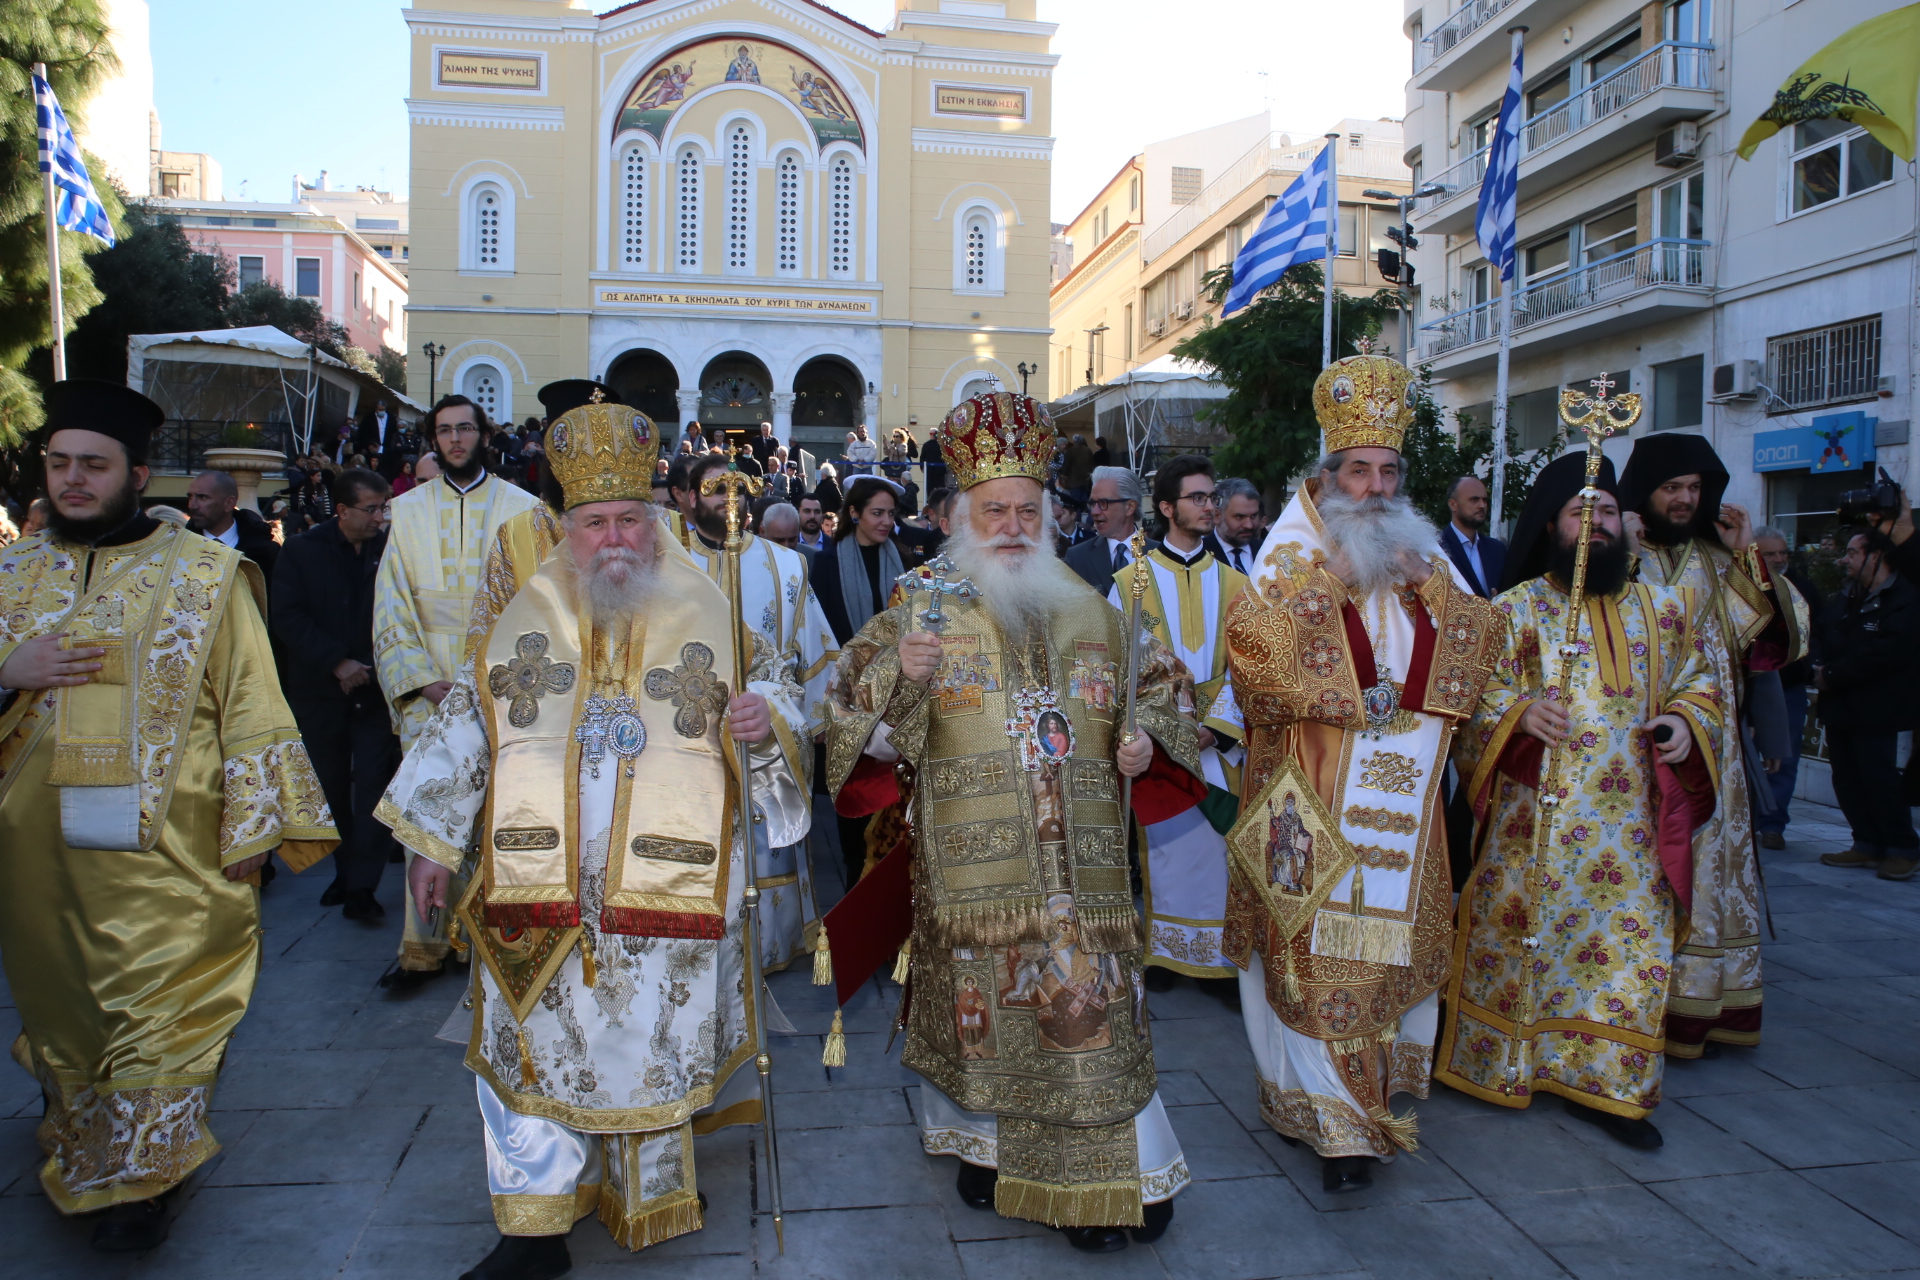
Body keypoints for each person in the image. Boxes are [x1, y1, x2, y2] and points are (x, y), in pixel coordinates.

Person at [379, 393, 805, 1280]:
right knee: (532, 1038)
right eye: (593, 522)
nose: (614, 538)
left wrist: (768, 723)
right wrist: (430, 842)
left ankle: (644, 1188)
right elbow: (468, 723)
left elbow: (786, 706)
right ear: (564, 528)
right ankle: (531, 1229)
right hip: (539, 879)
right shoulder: (524, 614)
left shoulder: (714, 610)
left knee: (645, 1045)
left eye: (628, 519)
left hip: (668, 887)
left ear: (655, 520)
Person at [826, 388, 1203, 1251]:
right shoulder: (919, 603)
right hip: (974, 861)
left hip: (1083, 863)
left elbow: (1162, 696)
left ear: (1049, 513)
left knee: (1093, 1014)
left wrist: (1146, 746)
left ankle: (1123, 1171)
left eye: (1026, 509)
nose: (1010, 524)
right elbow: (849, 721)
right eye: (992, 509)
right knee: (984, 1013)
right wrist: (902, 681)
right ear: (958, 513)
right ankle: (984, 1147)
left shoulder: (1089, 599)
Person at [0, 381, 336, 1250]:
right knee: (69, 1013)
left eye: (94, 466)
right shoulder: (12, 576)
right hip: (39, 864)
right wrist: (10, 670)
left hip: (173, 856)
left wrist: (255, 833)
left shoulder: (205, 574)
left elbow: (254, 704)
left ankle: (139, 1181)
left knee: (167, 1011)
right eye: (61, 464)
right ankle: (86, 1142)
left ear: (136, 473)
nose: (74, 480)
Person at [1221, 354, 1502, 1194]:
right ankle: (1332, 1120)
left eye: (1387, 472)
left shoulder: (1426, 557)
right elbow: (1253, 665)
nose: (1374, 487)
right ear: (1328, 476)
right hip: (1312, 796)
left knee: (1385, 953)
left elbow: (1483, 648)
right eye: (1358, 470)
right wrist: (1329, 589)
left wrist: (1439, 603)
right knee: (1312, 953)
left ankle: (1378, 1091)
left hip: (1404, 806)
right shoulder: (1289, 556)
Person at [1438, 451, 1723, 1150]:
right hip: (1535, 827)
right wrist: (1518, 715)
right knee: (1523, 942)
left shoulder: (1664, 609)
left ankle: (1610, 1085)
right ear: (1553, 526)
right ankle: (1506, 1060)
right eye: (1577, 513)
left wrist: (1686, 722)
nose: (1593, 526)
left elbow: (1700, 681)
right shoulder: (1513, 611)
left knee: (1627, 956)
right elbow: (1473, 700)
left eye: (1604, 515)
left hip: (1631, 835)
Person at [1618, 433, 1807, 1057]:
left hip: (1712, 747)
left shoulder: (1718, 558)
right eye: (1671, 488)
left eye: (1694, 489)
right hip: (1632, 741)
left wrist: (1748, 557)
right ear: (1646, 490)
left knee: (1707, 869)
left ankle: (1699, 1009)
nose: (1684, 500)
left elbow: (1775, 643)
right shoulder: (1622, 549)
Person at [373, 393, 541, 988]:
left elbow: (535, 606)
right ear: (433, 440)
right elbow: (392, 602)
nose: (455, 440)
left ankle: (486, 944)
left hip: (500, 687)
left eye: (465, 428)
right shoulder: (408, 510)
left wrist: (499, 681)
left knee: (493, 817)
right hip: (430, 689)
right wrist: (422, 680)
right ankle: (423, 947)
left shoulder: (523, 509)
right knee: (428, 814)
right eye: (443, 431)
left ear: (484, 434)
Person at [675, 450, 840, 970]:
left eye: (736, 489)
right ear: (686, 497)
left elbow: (813, 650)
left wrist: (814, 725)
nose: (726, 499)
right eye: (712, 488)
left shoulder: (786, 564)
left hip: (764, 728)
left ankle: (769, 941)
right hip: (685, 731)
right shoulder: (664, 561)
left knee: (766, 834)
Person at [1113, 455, 1246, 1005]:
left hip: (1219, 740)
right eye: (1197, 498)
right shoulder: (1128, 582)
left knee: (1221, 850)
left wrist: (1215, 728)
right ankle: (1165, 953)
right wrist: (1164, 730)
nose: (1209, 506)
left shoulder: (1238, 583)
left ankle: (1220, 962)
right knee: (1167, 847)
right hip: (1159, 738)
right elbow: (1117, 666)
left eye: (1211, 497)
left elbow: (1253, 667)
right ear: (1167, 508)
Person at [272, 468, 401, 922]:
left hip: (376, 688)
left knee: (373, 787)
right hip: (318, 692)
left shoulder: (390, 550)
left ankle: (363, 887)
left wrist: (366, 664)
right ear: (342, 511)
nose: (380, 517)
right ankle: (344, 874)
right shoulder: (301, 551)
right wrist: (335, 662)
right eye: (371, 509)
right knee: (329, 789)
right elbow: (287, 617)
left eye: (384, 507)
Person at [1814, 528, 1920, 880]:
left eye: (1853, 552)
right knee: (1846, 777)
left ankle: (1902, 847)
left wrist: (1833, 673)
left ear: (1876, 556)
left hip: (1878, 707)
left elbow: (1887, 652)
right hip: (1841, 705)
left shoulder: (1903, 597)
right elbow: (1826, 632)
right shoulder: (1849, 595)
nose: (1845, 559)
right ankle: (1867, 843)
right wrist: (1818, 667)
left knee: (1879, 778)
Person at [1753, 527, 1819, 849]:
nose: (1779, 559)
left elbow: (1820, 633)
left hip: (1788, 688)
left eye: (1783, 553)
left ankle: (1772, 826)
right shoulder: (1740, 587)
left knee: (1783, 758)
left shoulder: (1802, 589)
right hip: (1744, 688)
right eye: (1770, 554)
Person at [186, 468, 281, 579]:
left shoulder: (266, 553)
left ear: (229, 503)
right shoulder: (178, 550)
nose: (192, 505)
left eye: (202, 497)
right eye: (190, 497)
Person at [1066, 464, 1146, 596]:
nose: (1094, 512)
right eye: (1092, 503)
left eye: (1103, 503)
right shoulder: (1077, 557)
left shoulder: (1159, 555)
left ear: (1130, 507)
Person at [1438, 475, 1505, 598]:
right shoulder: (1437, 548)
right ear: (1453, 504)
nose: (1482, 505)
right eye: (1474, 500)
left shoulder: (1497, 549)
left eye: (1484, 500)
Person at [1205, 477, 1265, 576]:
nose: (1249, 525)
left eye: (1253, 516)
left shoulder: (1268, 551)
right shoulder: (1200, 555)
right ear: (1217, 516)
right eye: (1239, 517)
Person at [355, 398, 406, 480]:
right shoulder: (368, 418)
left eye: (383, 409)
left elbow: (394, 433)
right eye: (379, 409)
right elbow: (363, 433)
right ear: (376, 409)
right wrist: (369, 444)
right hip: (373, 449)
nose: (381, 411)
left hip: (387, 450)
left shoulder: (391, 418)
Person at [1057, 432, 1095, 496]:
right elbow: (1092, 464)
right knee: (1084, 498)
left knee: (1075, 500)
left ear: (1074, 441)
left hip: (1074, 481)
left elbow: (1066, 465)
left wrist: (1062, 474)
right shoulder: (1088, 450)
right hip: (1086, 479)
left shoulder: (1070, 451)